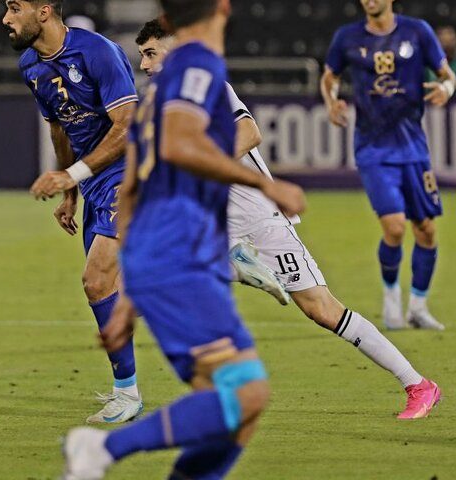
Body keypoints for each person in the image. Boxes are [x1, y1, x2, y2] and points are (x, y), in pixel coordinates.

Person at [136, 18, 440, 420]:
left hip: (258, 219)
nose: (143, 64)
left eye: (151, 54)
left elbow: (249, 130)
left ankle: (418, 384)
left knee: (322, 310)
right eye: (142, 56)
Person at [62, 0, 307, 477]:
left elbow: (133, 183)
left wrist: (129, 296)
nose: (147, 63)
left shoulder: (158, 93)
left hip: (169, 259)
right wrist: (264, 183)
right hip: (179, 260)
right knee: (242, 395)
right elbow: (177, 146)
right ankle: (100, 450)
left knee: (237, 413)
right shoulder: (196, 64)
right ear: (222, 7)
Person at [3, 0, 143, 423]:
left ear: (43, 12)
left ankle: (128, 395)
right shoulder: (31, 64)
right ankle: (215, 257)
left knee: (96, 279)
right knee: (105, 288)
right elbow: (59, 125)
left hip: (131, 171)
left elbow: (128, 123)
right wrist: (72, 190)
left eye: (14, 8)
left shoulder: (97, 52)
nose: (6, 19)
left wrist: (70, 176)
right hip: (94, 180)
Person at [320, 0, 456, 332]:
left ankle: (419, 307)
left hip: (413, 148)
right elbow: (329, 76)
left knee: (426, 229)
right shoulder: (347, 37)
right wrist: (332, 101)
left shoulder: (417, 31)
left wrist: (446, 88)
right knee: (395, 227)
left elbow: (447, 75)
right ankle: (391, 299)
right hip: (373, 148)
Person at [434, 25, 456, 95]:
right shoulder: (430, 58)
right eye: (441, 33)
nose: (445, 37)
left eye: (449, 33)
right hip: (435, 101)